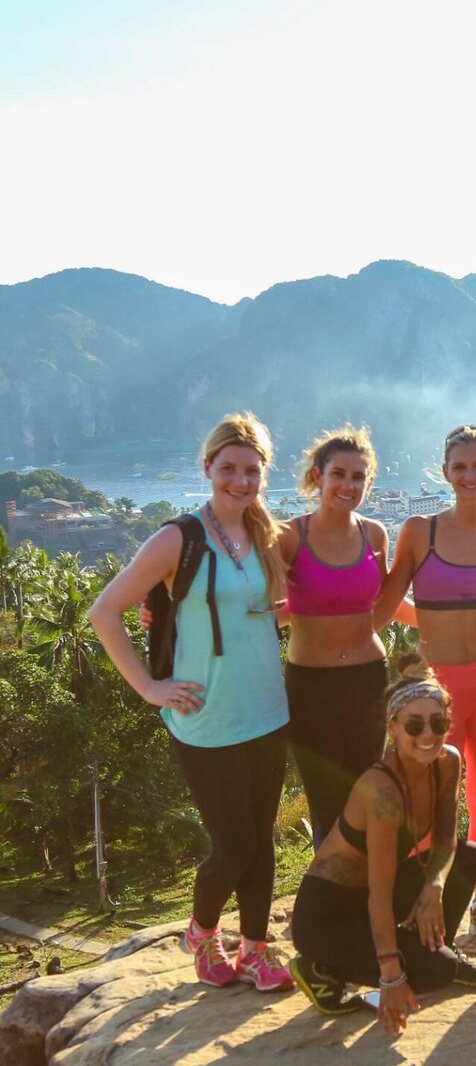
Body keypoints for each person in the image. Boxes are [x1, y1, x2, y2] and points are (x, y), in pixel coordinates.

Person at [89, 414, 294, 991]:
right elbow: (104, 612)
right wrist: (149, 688)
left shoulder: (265, 535)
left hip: (266, 709)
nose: (240, 479)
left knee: (262, 841)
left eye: (251, 470)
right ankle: (202, 932)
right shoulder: (178, 538)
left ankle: (255, 948)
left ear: (262, 474)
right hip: (205, 717)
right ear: (207, 469)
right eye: (228, 468)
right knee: (234, 845)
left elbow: (270, 609)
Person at [289, 661, 476, 1035]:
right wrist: (390, 975)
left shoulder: (447, 763)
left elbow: (447, 838)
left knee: (467, 856)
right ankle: (323, 967)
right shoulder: (382, 792)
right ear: (393, 729)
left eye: (437, 723)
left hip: (369, 895)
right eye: (414, 724)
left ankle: (436, 951)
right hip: (328, 916)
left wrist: (434, 886)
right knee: (434, 974)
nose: (427, 735)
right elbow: (381, 893)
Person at [375, 424, 476, 942]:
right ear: (445, 473)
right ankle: (421, 902)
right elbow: (388, 599)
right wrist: (433, 620)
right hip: (435, 693)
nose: (469, 476)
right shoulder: (420, 531)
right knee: (429, 799)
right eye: (459, 467)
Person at [281, 427, 390, 847]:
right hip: (311, 684)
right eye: (339, 474)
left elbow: (384, 602)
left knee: (368, 789)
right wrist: (160, 611)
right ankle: (327, 901)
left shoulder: (375, 534)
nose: (348, 485)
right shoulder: (290, 536)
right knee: (325, 797)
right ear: (317, 477)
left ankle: (368, 898)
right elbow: (258, 602)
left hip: (368, 679)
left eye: (358, 477)